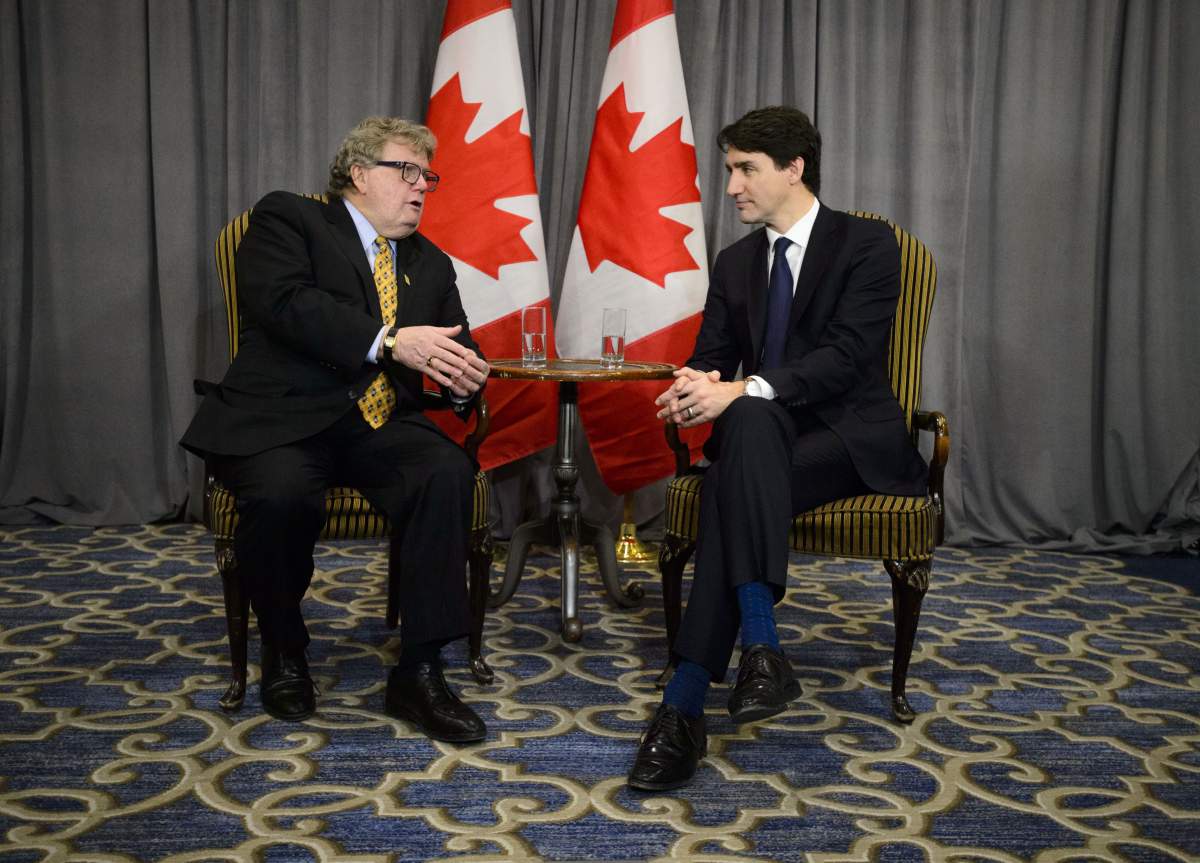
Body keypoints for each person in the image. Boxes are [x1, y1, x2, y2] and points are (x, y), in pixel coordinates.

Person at [627, 106, 928, 791]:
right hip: (768, 439)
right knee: (752, 427)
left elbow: (847, 359)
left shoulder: (868, 245)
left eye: (744, 169)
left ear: (793, 168)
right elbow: (710, 358)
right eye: (728, 169)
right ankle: (760, 648)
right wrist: (692, 386)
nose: (730, 185)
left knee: (739, 453)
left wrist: (741, 390)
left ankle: (683, 704)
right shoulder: (735, 263)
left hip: (847, 439)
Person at [181, 117, 491, 742]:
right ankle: (284, 648)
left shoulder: (430, 263)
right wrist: (389, 340)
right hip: (285, 416)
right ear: (358, 174)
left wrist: (462, 379)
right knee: (280, 494)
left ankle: (420, 669)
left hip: (378, 423)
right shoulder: (290, 219)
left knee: (444, 472)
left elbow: (455, 341)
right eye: (406, 171)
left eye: (427, 176)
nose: (421, 187)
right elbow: (283, 302)